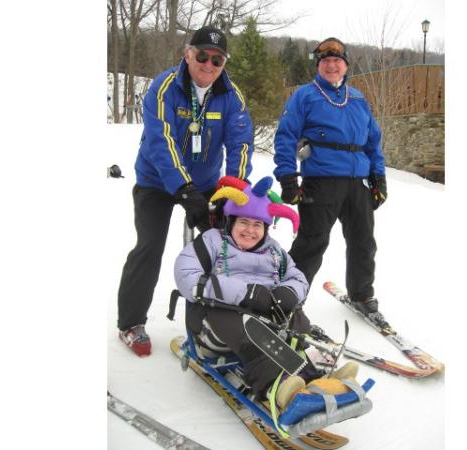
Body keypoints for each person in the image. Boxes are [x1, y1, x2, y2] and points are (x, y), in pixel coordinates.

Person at [117, 26, 254, 357]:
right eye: (203, 55)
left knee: (224, 247)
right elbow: (159, 142)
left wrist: (233, 191)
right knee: (149, 246)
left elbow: (241, 144)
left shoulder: (231, 96)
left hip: (206, 184)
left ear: (224, 63)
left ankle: (222, 318)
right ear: (187, 53)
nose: (209, 65)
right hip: (157, 181)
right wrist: (183, 189)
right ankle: (131, 322)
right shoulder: (164, 87)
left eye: (217, 59)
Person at [174, 176, 358, 408]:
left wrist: (290, 292)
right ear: (231, 221)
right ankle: (279, 388)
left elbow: (296, 277)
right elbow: (186, 277)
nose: (250, 230)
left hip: (265, 317)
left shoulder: (274, 251)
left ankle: (319, 379)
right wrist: (245, 293)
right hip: (218, 326)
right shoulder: (211, 241)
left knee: (297, 321)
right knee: (253, 331)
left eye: (257, 225)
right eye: (244, 222)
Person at [272, 37, 389, 325]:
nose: (331, 65)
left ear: (346, 65)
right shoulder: (305, 96)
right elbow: (286, 136)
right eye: (325, 61)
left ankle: (362, 294)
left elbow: (373, 142)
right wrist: (287, 177)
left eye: (337, 61)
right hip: (321, 181)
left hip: (358, 182)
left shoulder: (358, 99)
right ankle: (287, 299)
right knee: (311, 243)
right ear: (319, 66)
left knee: (363, 241)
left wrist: (379, 177)